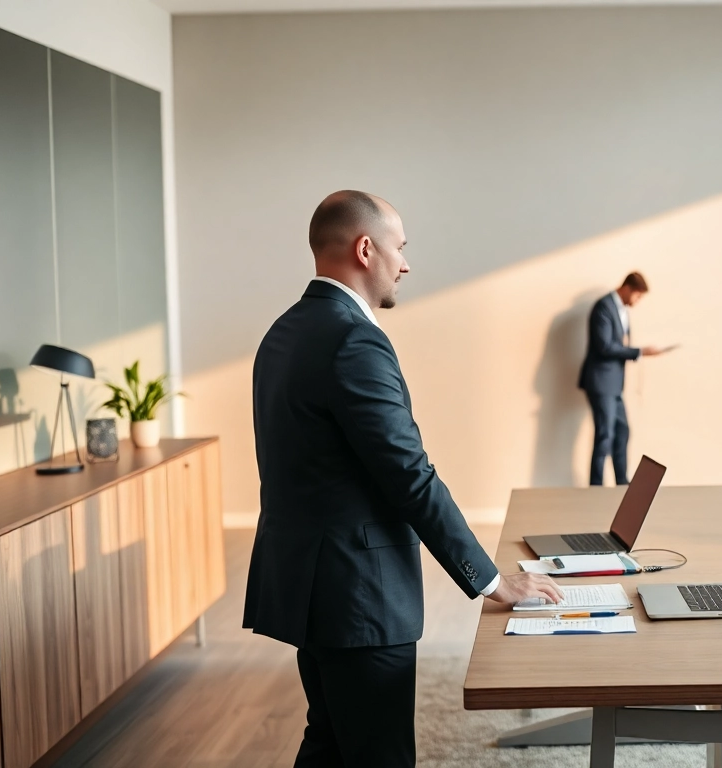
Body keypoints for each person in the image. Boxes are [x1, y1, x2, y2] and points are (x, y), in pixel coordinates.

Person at [244, 190, 563, 768]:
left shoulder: (282, 333)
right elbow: (410, 477)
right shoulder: (354, 340)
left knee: (331, 743)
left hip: (308, 587)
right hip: (357, 594)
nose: (406, 264)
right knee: (376, 754)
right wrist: (492, 583)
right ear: (366, 249)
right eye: (400, 248)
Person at [577, 272, 672, 486]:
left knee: (622, 431)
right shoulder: (603, 307)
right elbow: (605, 346)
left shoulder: (622, 311)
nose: (637, 301)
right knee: (605, 436)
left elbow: (619, 343)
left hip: (615, 385)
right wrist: (639, 352)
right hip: (601, 382)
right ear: (628, 288)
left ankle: (622, 483)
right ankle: (596, 488)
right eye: (638, 296)